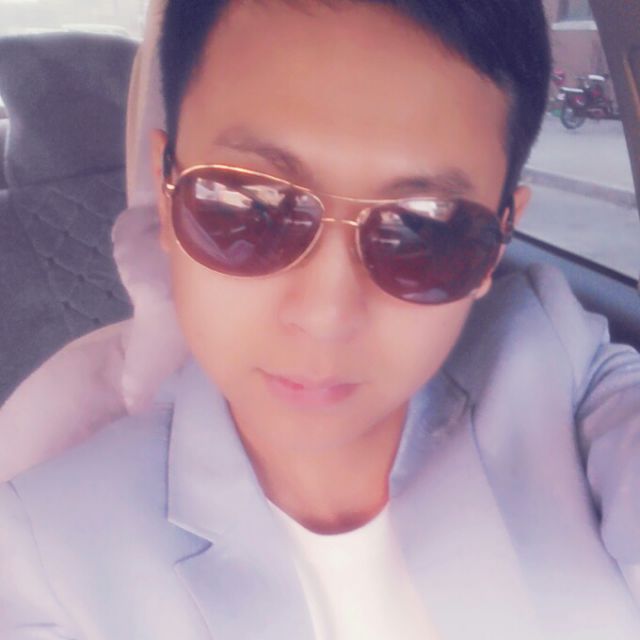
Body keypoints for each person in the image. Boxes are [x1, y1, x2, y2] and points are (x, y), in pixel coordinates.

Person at [1, 0, 640, 638]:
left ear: (499, 240)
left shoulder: (558, 366)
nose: (325, 315)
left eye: (424, 229)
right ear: (165, 198)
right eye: (247, 207)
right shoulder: (48, 558)